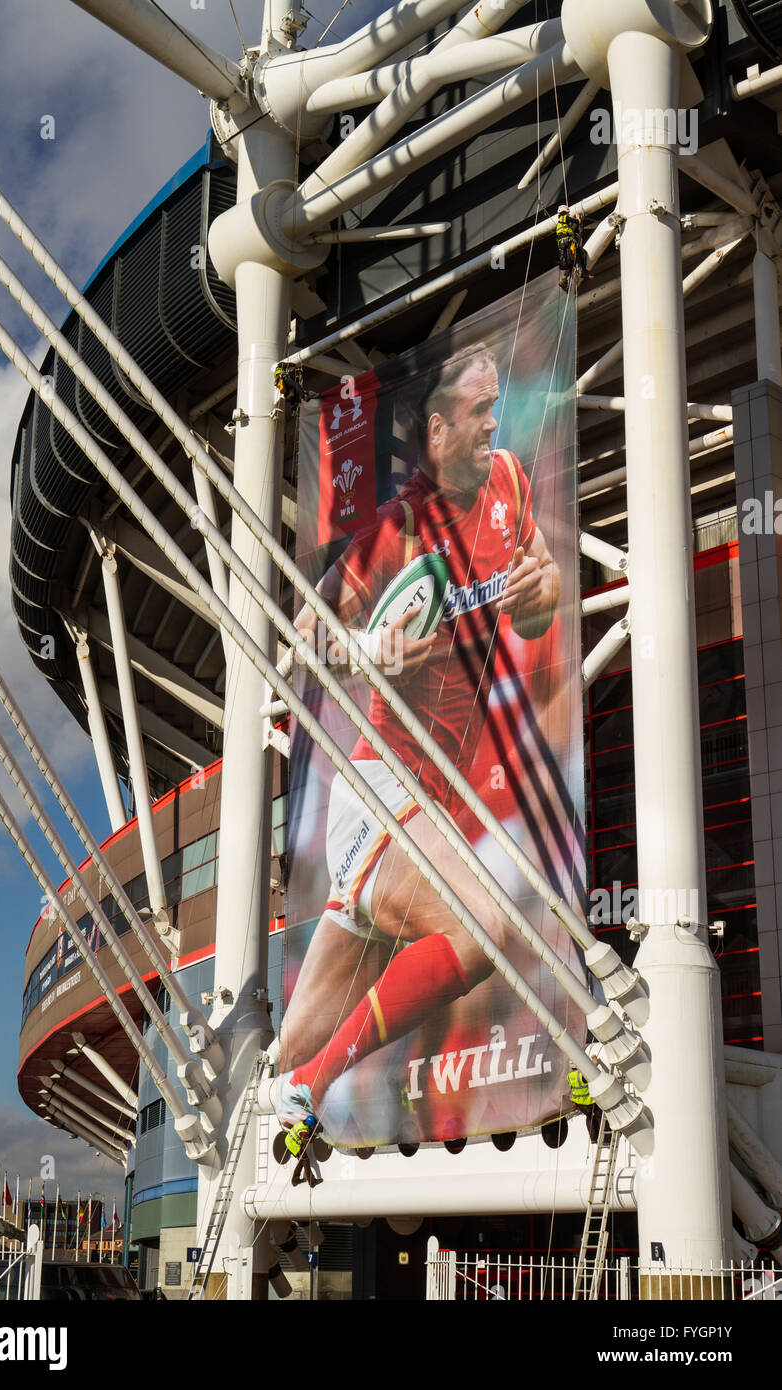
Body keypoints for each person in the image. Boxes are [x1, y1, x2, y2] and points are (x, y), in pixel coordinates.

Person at [273, 346, 562, 1130]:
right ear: (437, 430)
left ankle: (269, 1101)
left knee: (282, 1053)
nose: (493, 423)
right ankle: (317, 1085)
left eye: (497, 405)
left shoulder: (505, 480)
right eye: (478, 411)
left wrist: (545, 591)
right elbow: (305, 640)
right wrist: (372, 651)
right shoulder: (395, 530)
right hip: (382, 790)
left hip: (430, 805)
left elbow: (538, 598)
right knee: (481, 931)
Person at [555, 206, 590, 290]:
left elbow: (570, 229)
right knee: (581, 252)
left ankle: (564, 280)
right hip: (568, 242)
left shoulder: (560, 223)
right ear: (565, 211)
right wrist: (578, 217)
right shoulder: (565, 218)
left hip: (561, 244)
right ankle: (584, 272)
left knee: (571, 260)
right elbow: (577, 222)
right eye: (568, 212)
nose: (569, 214)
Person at [284, 1114, 321, 1187]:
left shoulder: (302, 1123)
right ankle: (312, 1181)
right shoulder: (304, 1131)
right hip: (294, 1145)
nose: (314, 1127)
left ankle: (295, 1180)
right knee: (305, 1160)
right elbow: (306, 1142)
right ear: (311, 1125)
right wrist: (313, 1137)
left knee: (301, 1161)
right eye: (313, 1126)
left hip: (288, 1141)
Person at [569, 1066, 602, 1143]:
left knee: (590, 1117)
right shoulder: (581, 1074)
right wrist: (595, 1064)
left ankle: (593, 1138)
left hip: (580, 1104)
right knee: (601, 1116)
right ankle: (606, 1139)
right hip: (589, 1102)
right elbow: (591, 1071)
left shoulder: (569, 1076)